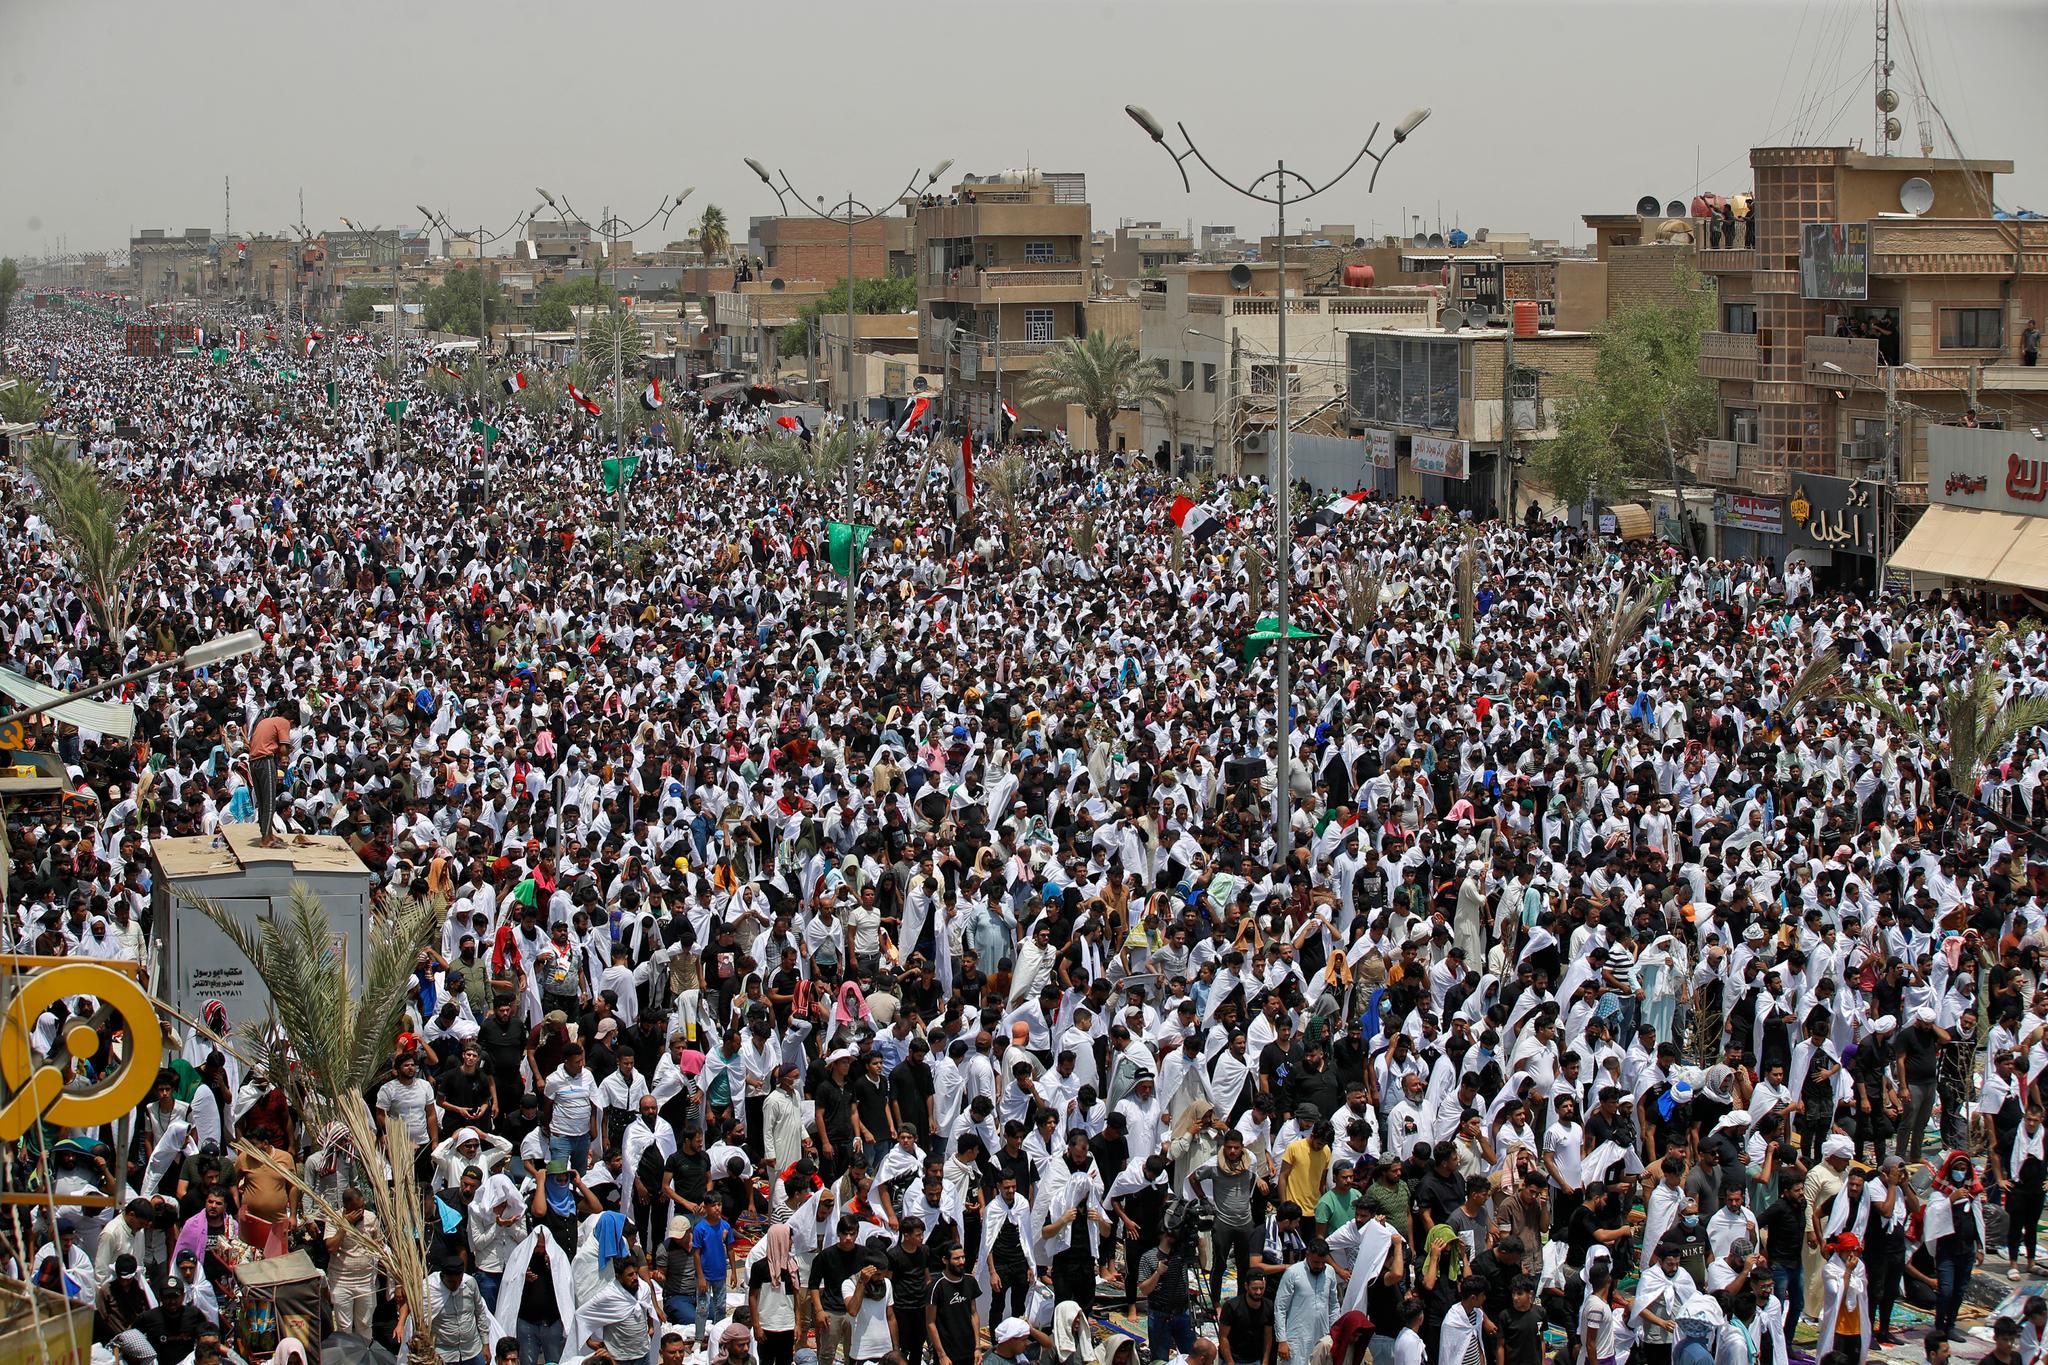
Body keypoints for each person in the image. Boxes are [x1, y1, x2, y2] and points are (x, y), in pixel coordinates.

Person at [1137, 1227, 1196, 1364]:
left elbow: (1202, 1264)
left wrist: (1202, 1249)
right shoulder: (1148, 1257)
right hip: (1160, 1315)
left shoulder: (1181, 1253)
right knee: (1159, 1359)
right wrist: (1158, 1273)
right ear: (1164, 1234)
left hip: (1182, 1312)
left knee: (1192, 1354)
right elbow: (1144, 1290)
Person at [246, 712, 292, 848]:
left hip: (253, 761)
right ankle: (266, 838)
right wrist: (288, 750)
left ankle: (267, 833)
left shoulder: (265, 721)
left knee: (262, 800)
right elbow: (283, 750)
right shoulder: (284, 722)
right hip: (265, 760)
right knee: (269, 801)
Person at [1217, 1270, 1274, 1365]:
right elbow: (1223, 1337)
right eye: (1254, 1288)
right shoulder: (1232, 1306)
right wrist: (1230, 1362)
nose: (1258, 1292)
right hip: (1233, 1358)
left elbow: (1268, 1336)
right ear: (1246, 1286)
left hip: (1255, 1359)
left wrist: (1265, 1361)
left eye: (1261, 1288)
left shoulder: (1268, 1306)